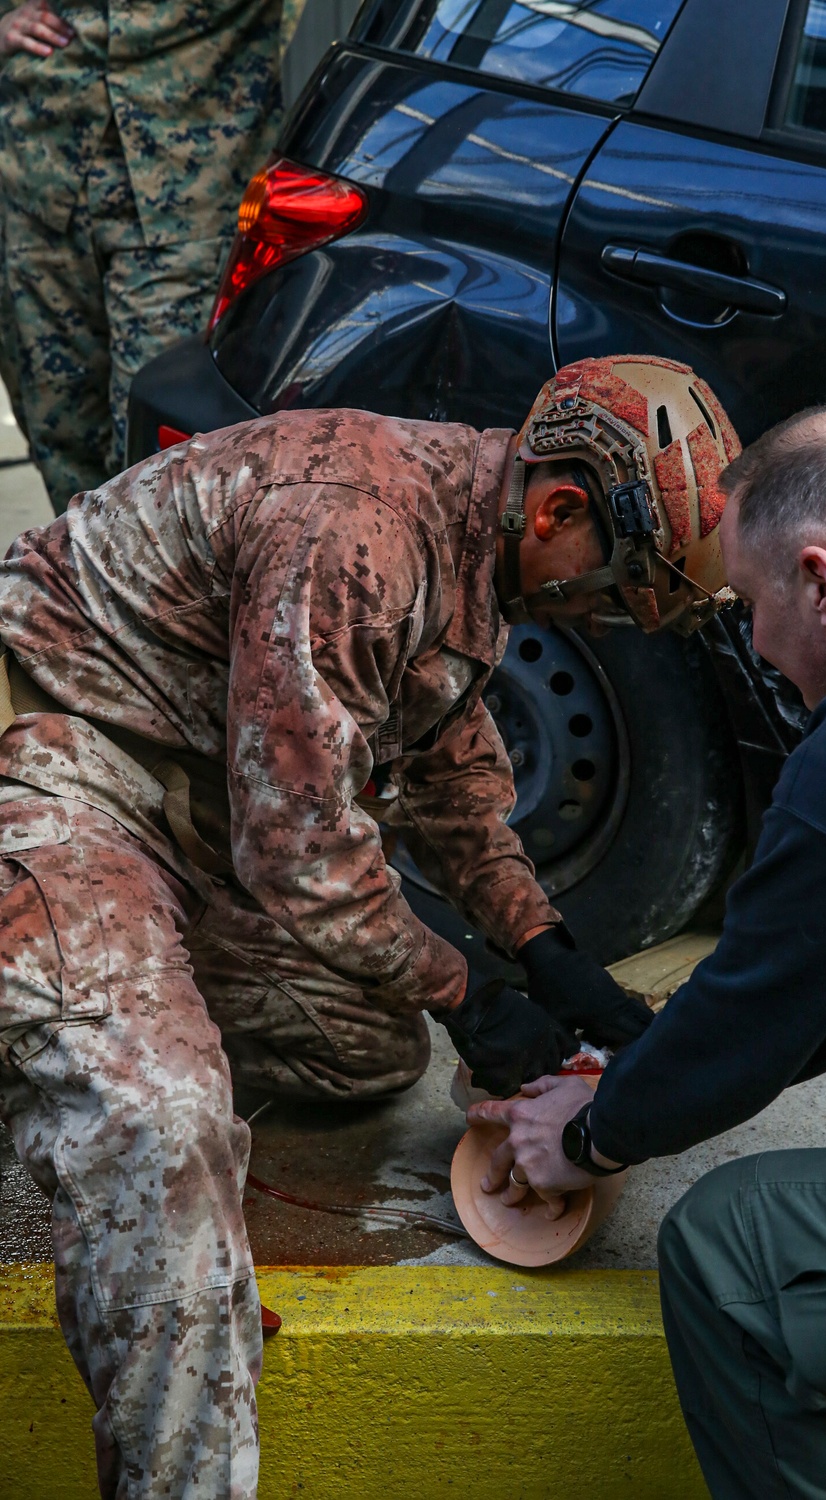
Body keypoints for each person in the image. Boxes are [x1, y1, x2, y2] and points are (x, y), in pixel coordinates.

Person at [0, 355, 732, 1496]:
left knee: (364, 1044)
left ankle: (81, 1009)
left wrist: (549, 958)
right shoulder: (356, 533)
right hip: (60, 770)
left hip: (194, 809)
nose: (595, 619)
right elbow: (298, 853)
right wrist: (468, 996)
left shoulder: (469, 529)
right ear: (559, 509)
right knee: (162, 1124)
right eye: (603, 593)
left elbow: (450, 775)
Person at [474, 404, 826, 1499]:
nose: (755, 643)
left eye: (752, 605)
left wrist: (594, 1134)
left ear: (821, 584)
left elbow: (761, 1024)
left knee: (736, 1259)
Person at [0, 0, 284, 513]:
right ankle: (84, 582)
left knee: (161, 462)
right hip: (41, 173)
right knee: (60, 428)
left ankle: (147, 589)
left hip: (187, 179)